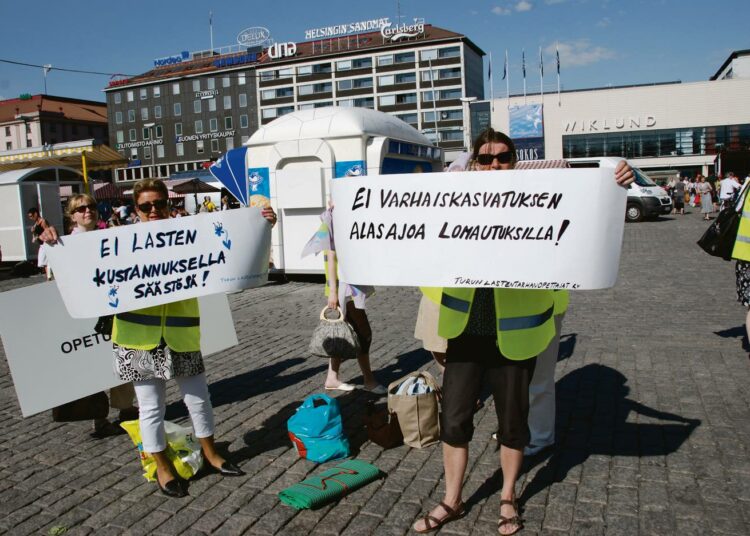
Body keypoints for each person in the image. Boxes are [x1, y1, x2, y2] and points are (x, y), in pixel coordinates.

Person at [412, 128, 634, 535]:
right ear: (474, 163)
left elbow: (584, 219)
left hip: (514, 335)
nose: (494, 164)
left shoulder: (538, 200)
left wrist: (615, 180)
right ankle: (452, 500)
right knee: (454, 420)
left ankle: (508, 497)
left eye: (502, 157)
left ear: (515, 160)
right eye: (485, 158)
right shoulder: (451, 202)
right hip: (464, 331)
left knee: (513, 423)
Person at [64, 194, 140, 437]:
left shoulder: (109, 236)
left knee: (122, 355)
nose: (87, 211)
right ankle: (98, 417)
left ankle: (126, 408)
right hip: (85, 311)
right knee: (95, 364)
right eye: (81, 208)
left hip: (112, 308)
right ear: (72, 215)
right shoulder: (64, 244)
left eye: (91, 207)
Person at [302, 207, 386, 394]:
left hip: (346, 285)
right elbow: (331, 257)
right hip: (343, 288)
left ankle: (332, 377)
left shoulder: (344, 217)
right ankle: (369, 380)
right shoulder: (333, 220)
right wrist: (333, 292)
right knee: (363, 333)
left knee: (342, 332)